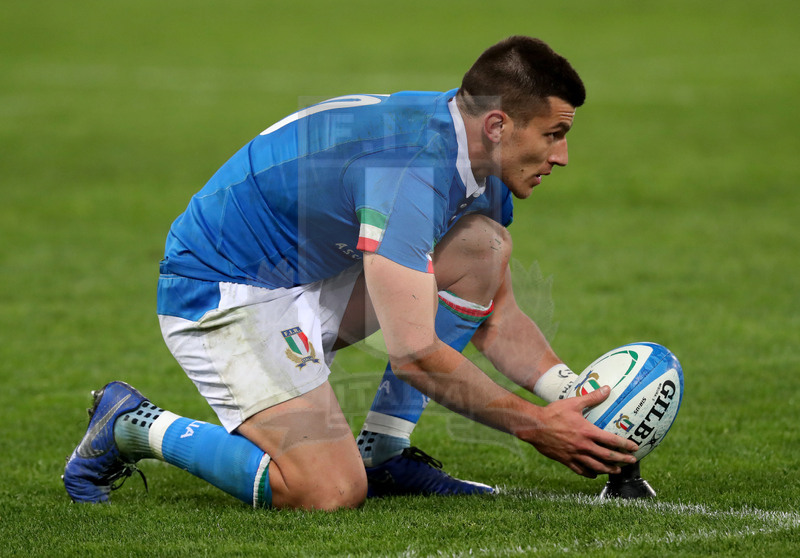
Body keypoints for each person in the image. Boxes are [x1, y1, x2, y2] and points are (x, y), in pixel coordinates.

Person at [63, 36, 639, 510]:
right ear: (497, 124)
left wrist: (582, 400)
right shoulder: (412, 168)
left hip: (307, 276)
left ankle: (384, 451)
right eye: (554, 134)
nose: (562, 156)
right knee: (327, 490)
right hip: (222, 288)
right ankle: (132, 423)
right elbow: (414, 352)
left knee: (482, 249)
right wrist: (537, 427)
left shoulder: (474, 157)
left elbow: (497, 319)